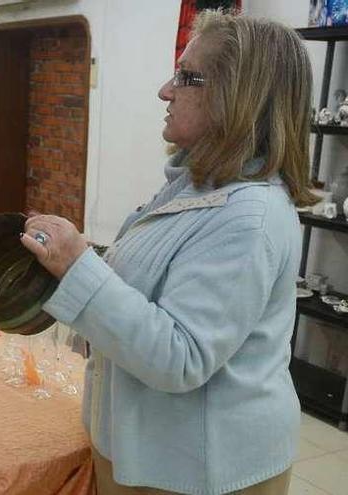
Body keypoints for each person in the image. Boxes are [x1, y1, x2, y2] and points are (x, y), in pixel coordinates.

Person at [21, 10, 315, 495]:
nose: (165, 90)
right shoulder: (195, 187)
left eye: (186, 77)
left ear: (238, 95)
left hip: (202, 470)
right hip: (148, 448)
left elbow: (182, 357)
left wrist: (78, 266)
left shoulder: (250, 216)